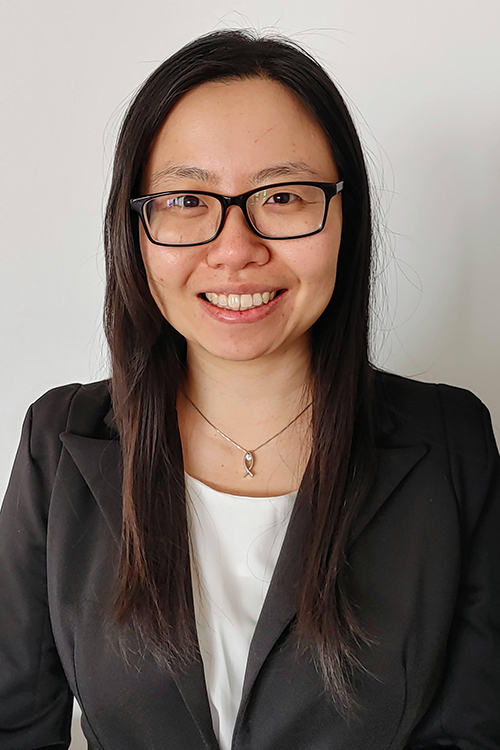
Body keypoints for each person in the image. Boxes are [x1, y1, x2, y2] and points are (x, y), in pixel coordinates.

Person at [0, 28, 499, 750]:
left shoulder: (452, 441)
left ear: (343, 215)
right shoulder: (60, 441)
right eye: (187, 201)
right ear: (135, 228)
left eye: (284, 195)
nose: (235, 249)